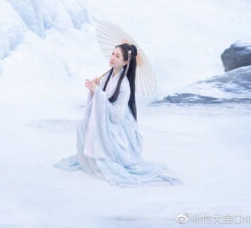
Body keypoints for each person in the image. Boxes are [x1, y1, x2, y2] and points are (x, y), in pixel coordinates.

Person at [54, 43, 181, 187]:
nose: (112, 57)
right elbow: (100, 99)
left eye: (117, 56)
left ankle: (101, 159)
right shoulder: (107, 76)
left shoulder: (125, 85)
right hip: (105, 118)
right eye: (113, 54)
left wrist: (98, 92)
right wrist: (94, 90)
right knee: (83, 125)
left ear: (125, 62)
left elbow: (116, 116)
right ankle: (90, 157)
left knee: (95, 132)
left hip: (117, 126)